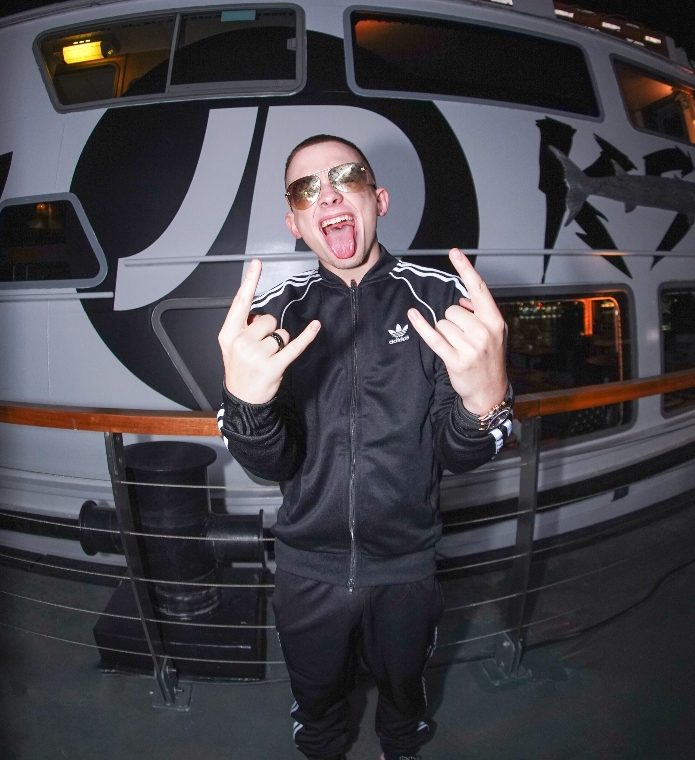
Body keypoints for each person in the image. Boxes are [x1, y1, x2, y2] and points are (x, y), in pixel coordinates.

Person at [217, 135, 512, 760]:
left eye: (346, 177)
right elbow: (272, 464)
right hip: (306, 569)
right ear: (295, 223)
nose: (327, 194)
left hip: (408, 567)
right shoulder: (275, 317)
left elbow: (459, 454)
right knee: (316, 711)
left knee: (405, 704)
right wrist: (246, 406)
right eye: (306, 189)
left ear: (378, 200)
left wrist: (487, 403)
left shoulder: (441, 301)